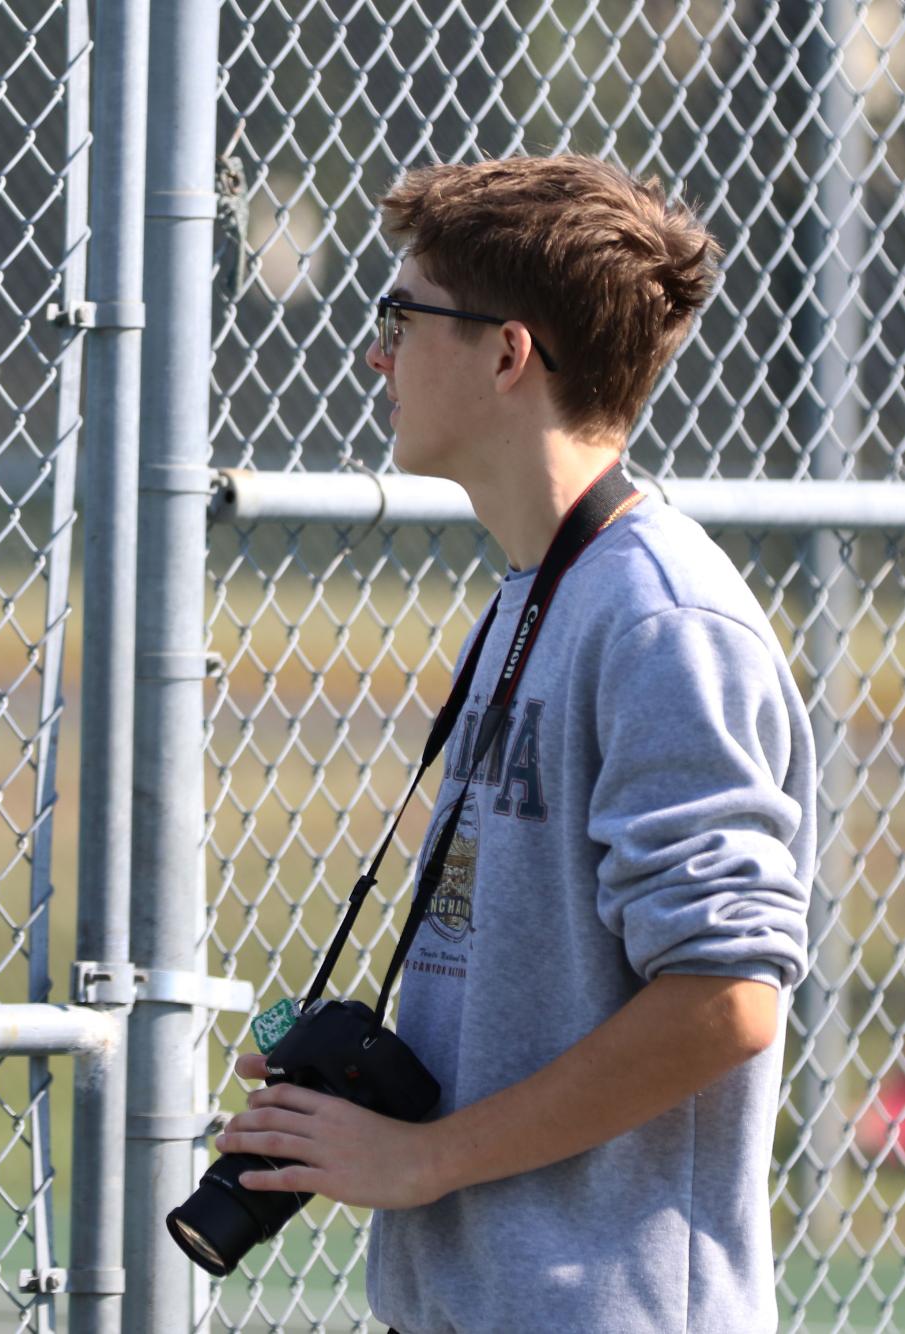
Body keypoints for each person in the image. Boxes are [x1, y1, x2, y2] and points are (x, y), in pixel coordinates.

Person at [213, 155, 816, 1332]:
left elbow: (728, 995)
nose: (376, 354)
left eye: (402, 317)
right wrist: (371, 1100)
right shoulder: (538, 592)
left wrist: (428, 1161)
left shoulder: (661, 618)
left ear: (507, 353)